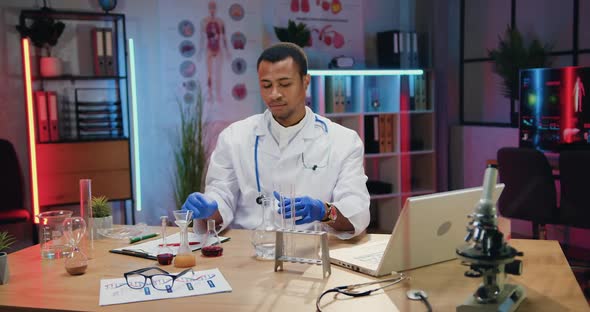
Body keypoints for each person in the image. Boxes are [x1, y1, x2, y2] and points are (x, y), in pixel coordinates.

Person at [183, 42, 370, 239]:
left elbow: (356, 212)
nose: (274, 94)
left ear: (306, 82)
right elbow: (221, 198)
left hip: (312, 250)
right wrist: (208, 208)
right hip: (247, 250)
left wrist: (324, 211)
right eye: (266, 85)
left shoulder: (344, 141)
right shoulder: (234, 137)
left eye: (284, 84)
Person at [198, 0, 230, 104]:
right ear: (208, 8)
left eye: (214, 7)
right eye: (210, 7)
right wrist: (199, 51)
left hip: (218, 49)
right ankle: (210, 95)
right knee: (209, 74)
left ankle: (218, 95)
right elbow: (202, 38)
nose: (212, 9)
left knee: (218, 74)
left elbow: (224, 38)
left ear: (216, 9)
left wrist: (227, 51)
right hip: (208, 49)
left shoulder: (220, 22)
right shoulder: (204, 22)